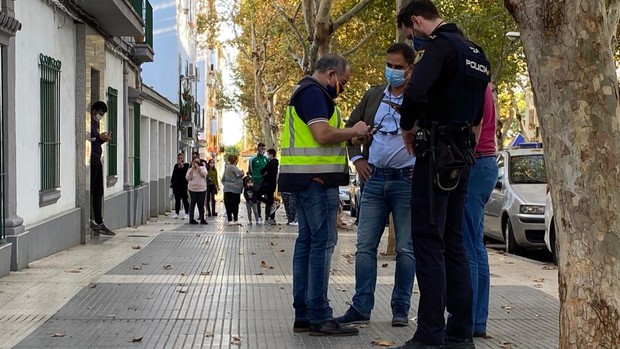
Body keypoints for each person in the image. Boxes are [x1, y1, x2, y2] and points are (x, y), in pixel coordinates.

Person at [394, 1, 491, 348]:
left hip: (436, 152)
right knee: (454, 243)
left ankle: (430, 333)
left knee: (428, 242)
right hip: (463, 154)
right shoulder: (476, 52)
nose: (412, 39)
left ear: (417, 21)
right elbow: (480, 110)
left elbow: (416, 92)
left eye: (410, 33)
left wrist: (408, 128)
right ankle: (460, 331)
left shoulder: (439, 47)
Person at [278, 53, 370, 337]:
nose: (343, 87)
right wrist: (354, 129)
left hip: (306, 180)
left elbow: (324, 137)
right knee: (322, 243)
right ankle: (319, 315)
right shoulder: (314, 94)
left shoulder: (305, 92)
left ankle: (304, 314)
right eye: (343, 82)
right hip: (314, 181)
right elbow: (320, 134)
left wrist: (351, 137)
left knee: (307, 243)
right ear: (331, 74)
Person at [335, 42, 416, 327]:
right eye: (389, 65)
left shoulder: (418, 97)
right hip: (374, 179)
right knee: (365, 246)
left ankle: (400, 308)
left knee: (406, 249)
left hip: (407, 181)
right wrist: (357, 158)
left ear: (410, 69)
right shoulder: (373, 96)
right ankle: (361, 307)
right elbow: (350, 125)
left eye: (398, 67)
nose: (392, 71)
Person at [462, 84, 498, 338]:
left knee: (466, 246)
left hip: (473, 162)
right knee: (475, 244)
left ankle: (466, 322)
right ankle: (476, 322)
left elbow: (471, 125)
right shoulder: (482, 84)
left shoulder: (470, 83)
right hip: (485, 161)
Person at [89, 101, 115, 236]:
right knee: (92, 190)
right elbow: (88, 137)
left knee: (99, 191)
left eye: (102, 115)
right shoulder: (88, 122)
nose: (100, 116)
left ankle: (99, 221)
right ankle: (91, 219)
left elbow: (96, 139)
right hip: (91, 157)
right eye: (99, 114)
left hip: (98, 157)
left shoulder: (96, 123)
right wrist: (99, 137)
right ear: (93, 110)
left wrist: (103, 138)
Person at [257, 148, 280, 225]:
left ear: (271, 154)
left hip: (267, 183)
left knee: (257, 195)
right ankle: (272, 219)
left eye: (268, 154)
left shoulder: (270, 163)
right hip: (273, 184)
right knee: (270, 197)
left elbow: (262, 171)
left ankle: (272, 204)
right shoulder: (276, 163)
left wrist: (265, 173)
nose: (267, 156)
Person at [248, 142, 268, 224]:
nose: (262, 149)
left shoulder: (266, 158)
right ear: (258, 148)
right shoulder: (253, 159)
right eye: (261, 148)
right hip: (256, 182)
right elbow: (250, 170)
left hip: (265, 182)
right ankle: (259, 216)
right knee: (258, 200)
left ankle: (267, 217)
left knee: (267, 199)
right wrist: (254, 177)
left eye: (263, 148)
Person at [221, 154, 244, 225]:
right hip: (235, 190)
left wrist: (227, 185)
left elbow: (223, 179)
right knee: (235, 204)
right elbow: (240, 174)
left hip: (227, 189)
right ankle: (235, 219)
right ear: (235, 160)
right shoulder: (234, 167)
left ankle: (230, 220)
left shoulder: (227, 168)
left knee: (228, 205)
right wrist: (242, 172)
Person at [185, 157, 208, 225]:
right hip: (192, 190)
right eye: (195, 162)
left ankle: (202, 218)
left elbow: (204, 175)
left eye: (198, 162)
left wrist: (198, 168)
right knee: (192, 204)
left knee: (200, 205)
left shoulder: (203, 168)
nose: (196, 163)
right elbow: (188, 178)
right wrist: (192, 169)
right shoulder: (190, 170)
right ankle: (191, 219)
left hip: (201, 189)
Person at [170, 152, 190, 219]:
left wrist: (182, 166)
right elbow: (174, 174)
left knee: (185, 200)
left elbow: (186, 173)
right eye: (178, 158)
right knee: (177, 200)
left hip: (183, 185)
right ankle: (176, 213)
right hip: (177, 186)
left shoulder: (186, 165)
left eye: (181, 158)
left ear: (183, 158)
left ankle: (187, 213)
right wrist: (172, 183)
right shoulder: (176, 166)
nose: (180, 159)